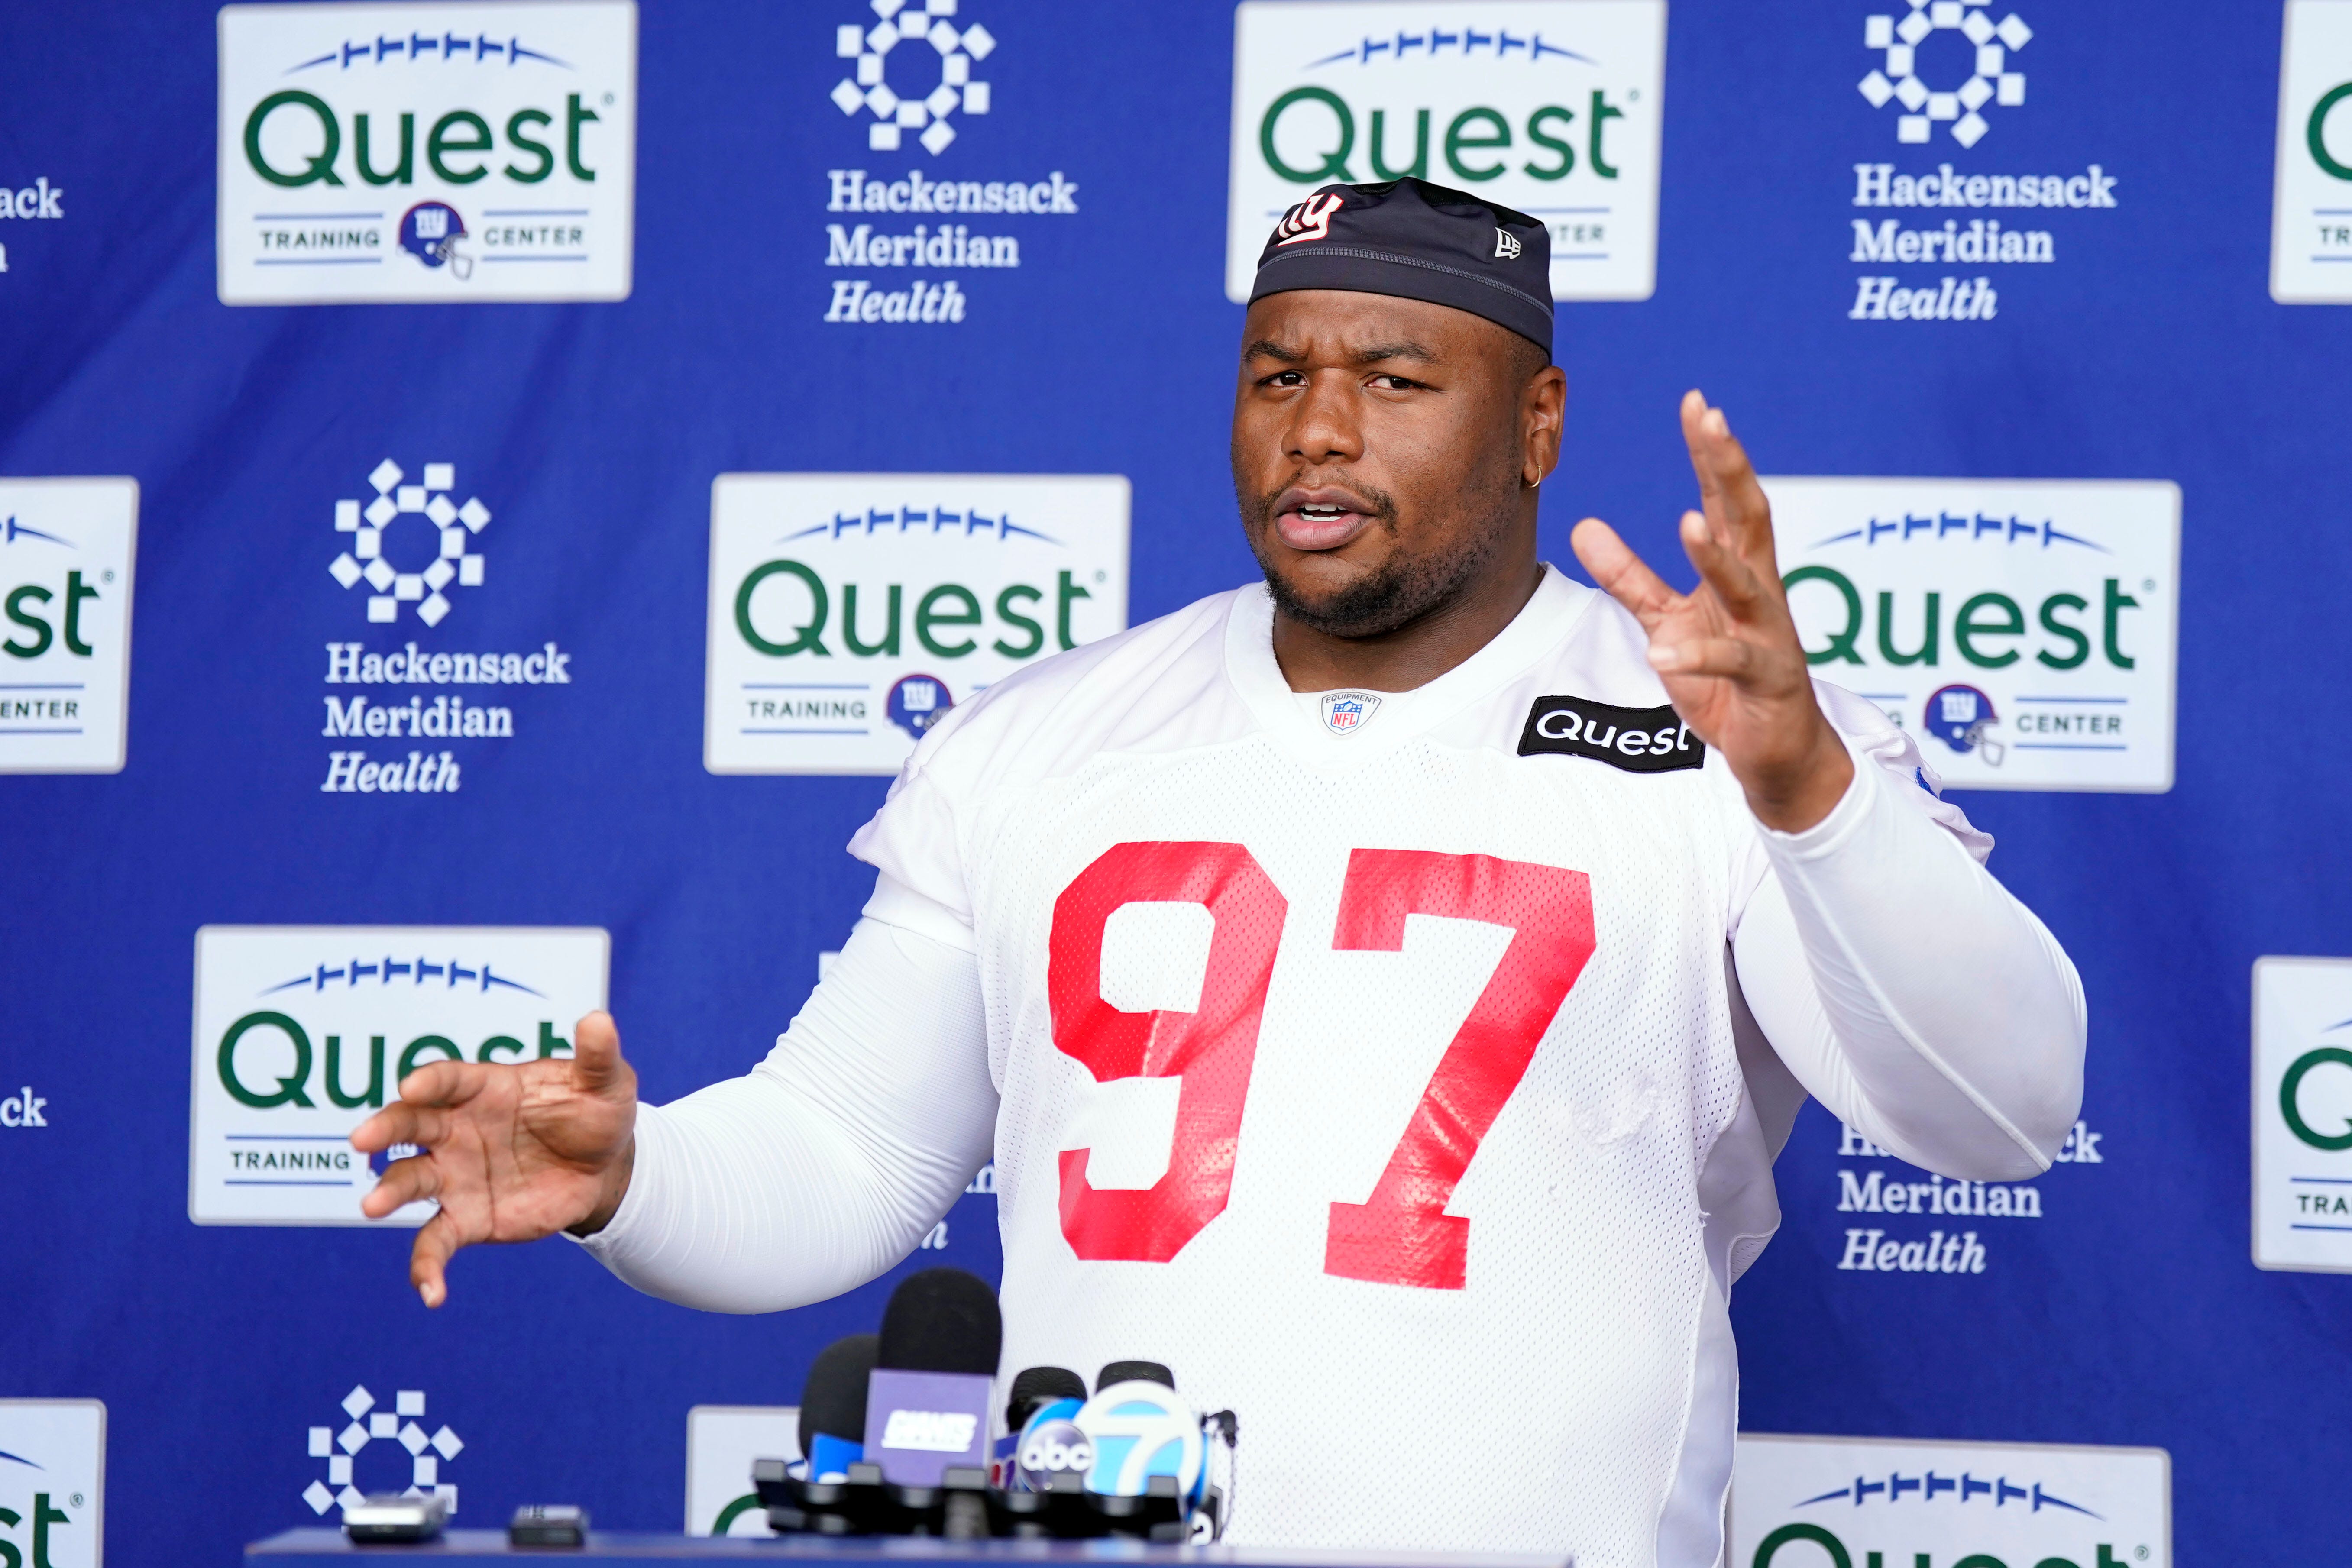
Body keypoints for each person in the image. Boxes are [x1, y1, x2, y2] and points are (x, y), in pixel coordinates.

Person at [352, 178, 2083, 1565]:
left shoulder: (1721, 728)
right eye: (1278, 378)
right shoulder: (1042, 738)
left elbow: (1998, 1109)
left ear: (1536, 421)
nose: (1317, 431)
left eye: (1396, 381)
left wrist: (1802, 786)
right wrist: (629, 1177)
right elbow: (840, 1154)